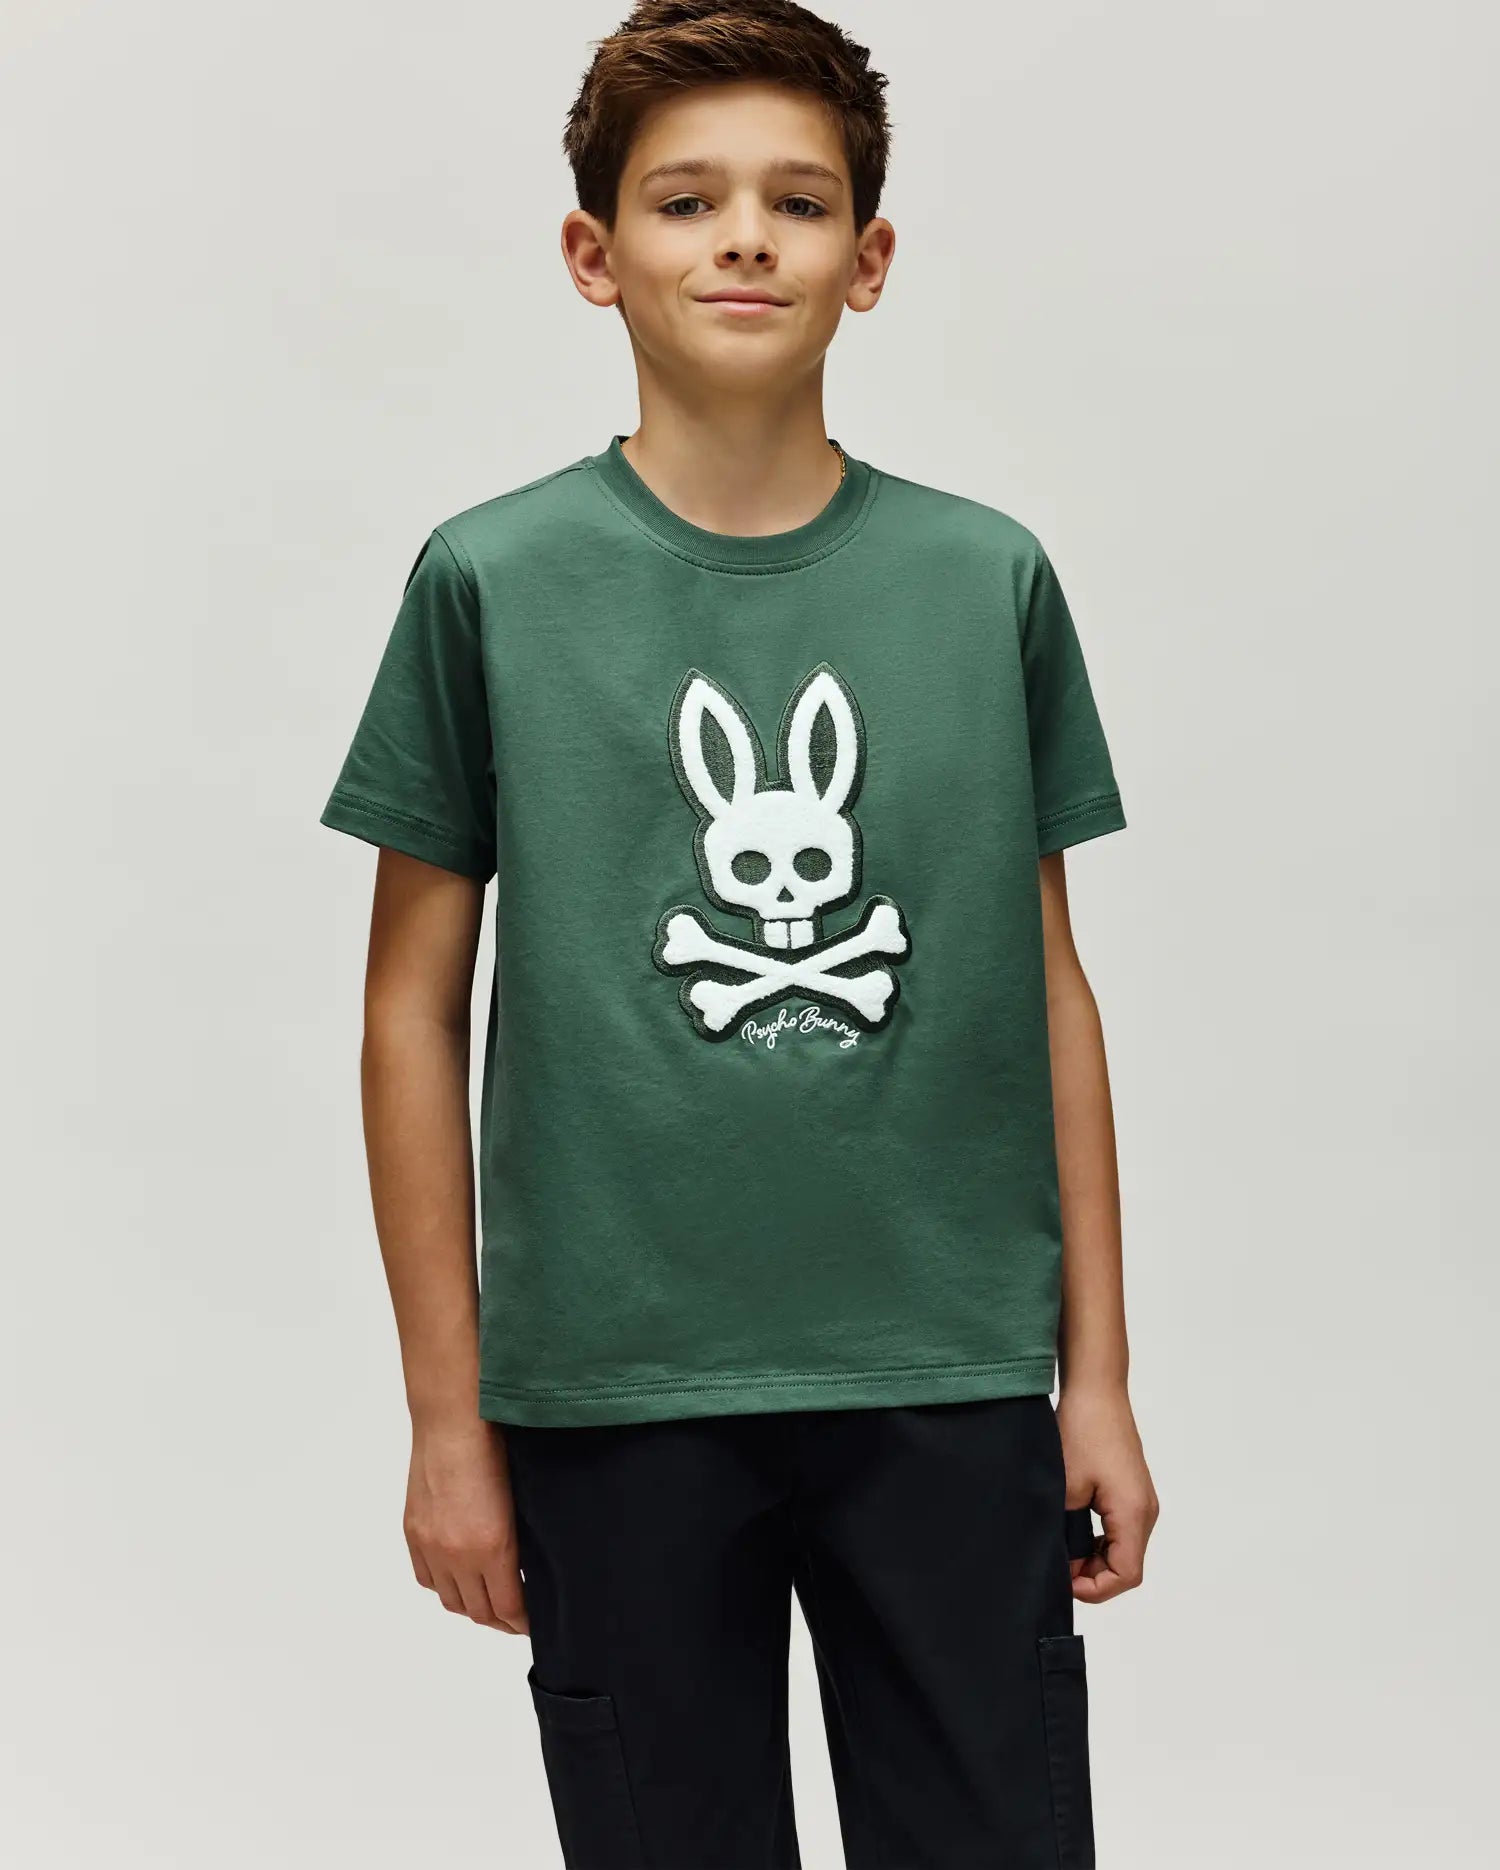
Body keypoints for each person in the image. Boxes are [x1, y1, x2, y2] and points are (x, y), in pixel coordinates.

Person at [317, 3, 1159, 1863]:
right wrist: (449, 1418)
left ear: (870, 258)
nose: (746, 239)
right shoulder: (491, 580)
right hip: (616, 1395)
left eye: (799, 200)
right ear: (594, 253)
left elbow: (1051, 987)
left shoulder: (986, 580)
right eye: (687, 200)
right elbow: (408, 1013)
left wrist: (1093, 1375)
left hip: (948, 1377)